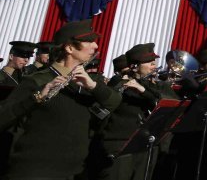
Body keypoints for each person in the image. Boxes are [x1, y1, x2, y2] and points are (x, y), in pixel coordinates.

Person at [0, 19, 122, 180]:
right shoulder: (38, 79)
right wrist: (36, 97)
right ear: (69, 48)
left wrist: (93, 86)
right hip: (36, 171)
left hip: (76, 171)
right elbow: (3, 117)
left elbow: (114, 102)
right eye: (89, 41)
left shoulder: (88, 81)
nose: (96, 46)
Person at [94, 43, 167, 180]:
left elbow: (161, 101)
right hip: (120, 145)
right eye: (149, 62)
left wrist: (143, 90)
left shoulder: (152, 85)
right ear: (134, 66)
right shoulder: (119, 81)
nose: (154, 65)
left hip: (145, 144)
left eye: (154, 62)